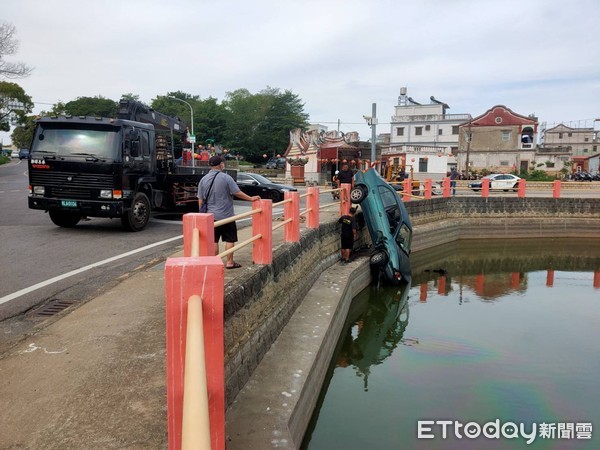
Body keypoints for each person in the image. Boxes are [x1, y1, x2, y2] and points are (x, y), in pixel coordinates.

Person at [197, 155, 260, 269]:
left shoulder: (203, 179)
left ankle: (214, 263)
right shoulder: (226, 178)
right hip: (226, 216)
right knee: (230, 239)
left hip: (211, 216)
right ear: (221, 164)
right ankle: (230, 262)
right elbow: (237, 192)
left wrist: (202, 214)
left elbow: (200, 200)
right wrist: (251, 199)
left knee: (213, 240)